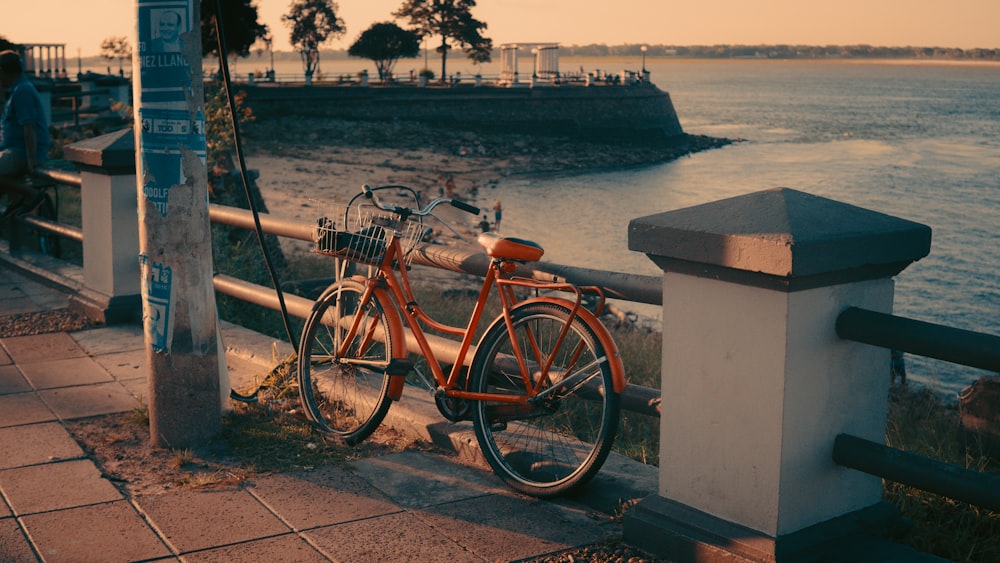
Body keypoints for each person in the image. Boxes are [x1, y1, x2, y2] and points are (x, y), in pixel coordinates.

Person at [0, 50, 49, 220]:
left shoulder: (22, 91)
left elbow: (29, 127)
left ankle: (30, 194)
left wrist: (31, 159)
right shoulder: (16, 90)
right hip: (13, 149)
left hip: (20, 151)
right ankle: (17, 201)